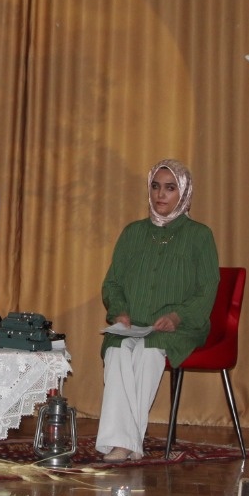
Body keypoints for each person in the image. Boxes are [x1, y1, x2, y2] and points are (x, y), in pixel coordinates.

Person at [96, 159, 218, 461]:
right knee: (117, 350)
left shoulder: (200, 236)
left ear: (184, 193)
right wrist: (119, 312)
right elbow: (112, 283)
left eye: (170, 188)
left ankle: (122, 444)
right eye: (155, 186)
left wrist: (178, 316)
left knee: (148, 352)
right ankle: (125, 442)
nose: (160, 194)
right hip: (133, 324)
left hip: (180, 327)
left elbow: (207, 290)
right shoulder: (133, 232)